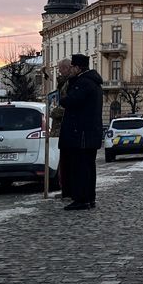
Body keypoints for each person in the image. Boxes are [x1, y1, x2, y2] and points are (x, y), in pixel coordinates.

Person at [58, 55, 104, 210]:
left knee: (80, 168)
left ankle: (81, 199)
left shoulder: (83, 83)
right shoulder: (94, 83)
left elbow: (70, 101)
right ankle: (89, 198)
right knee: (89, 167)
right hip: (90, 133)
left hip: (81, 134)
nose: (70, 70)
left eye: (72, 67)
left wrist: (63, 96)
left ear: (78, 68)